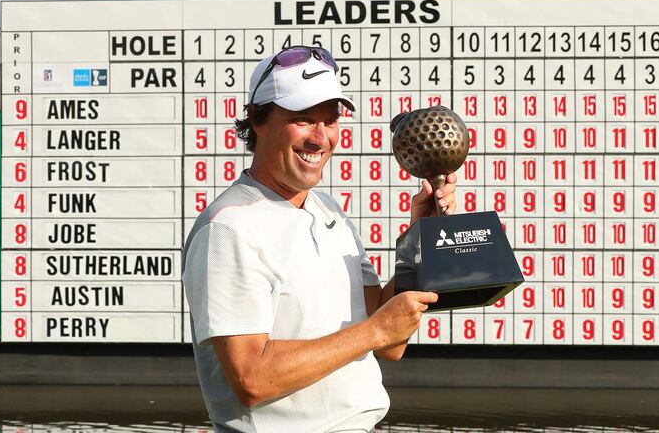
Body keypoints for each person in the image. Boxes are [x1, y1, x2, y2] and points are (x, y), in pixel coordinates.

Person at [182, 45, 458, 432]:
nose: (320, 138)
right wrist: (376, 330)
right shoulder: (227, 228)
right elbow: (251, 380)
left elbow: (389, 343)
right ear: (256, 120)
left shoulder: (329, 210)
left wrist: (419, 239)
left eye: (330, 121)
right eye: (303, 119)